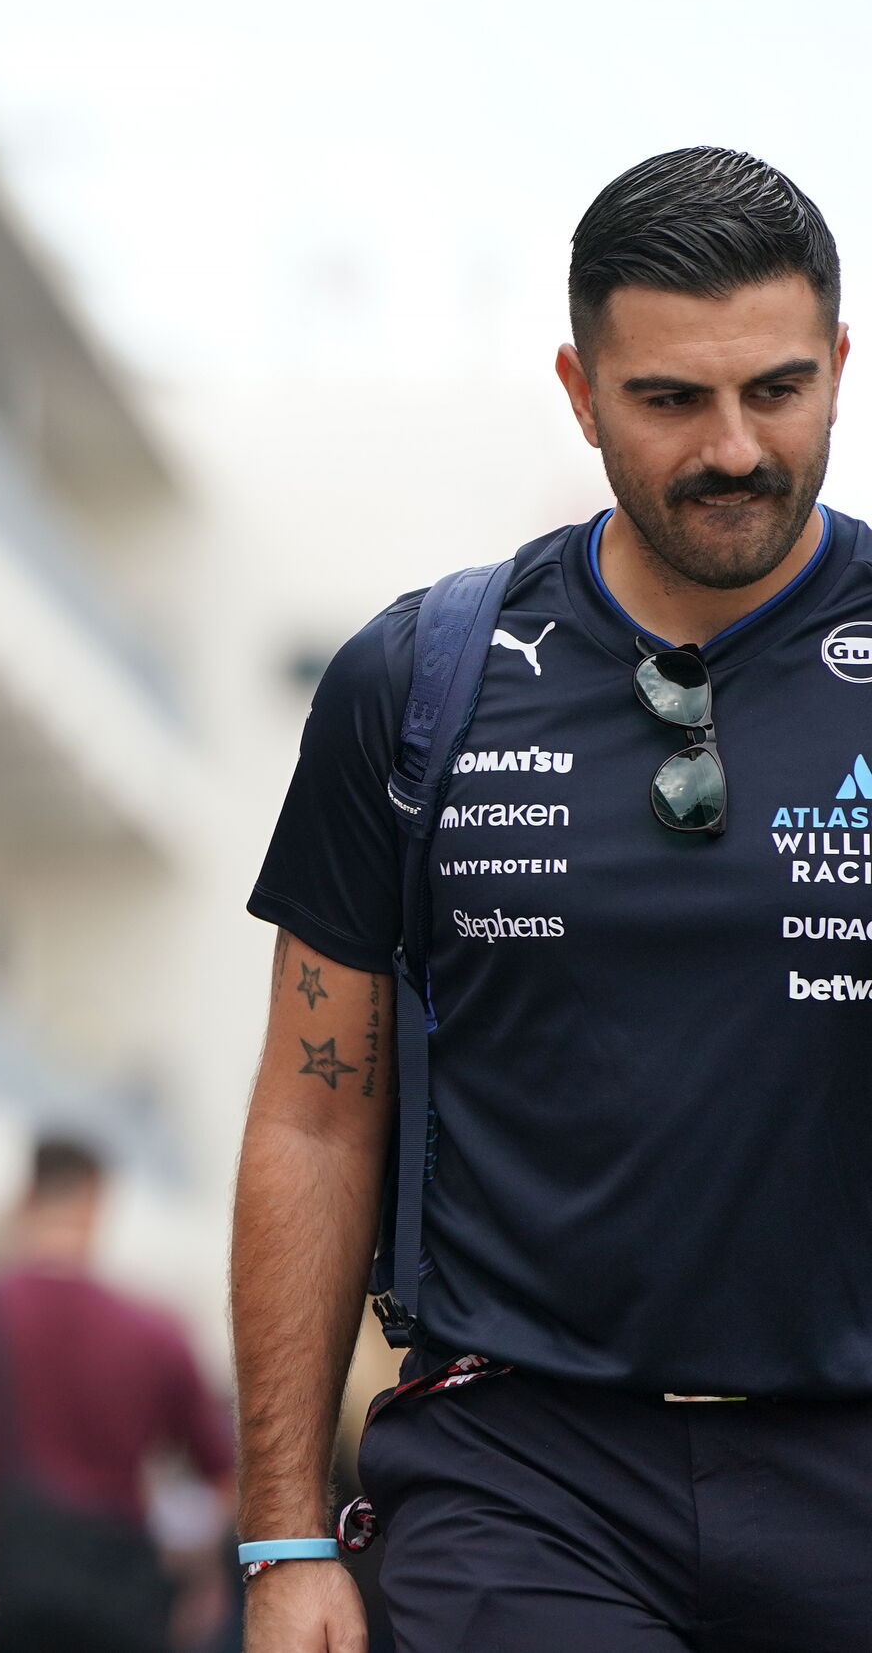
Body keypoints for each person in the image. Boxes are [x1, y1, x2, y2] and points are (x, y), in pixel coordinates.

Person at [234, 146, 872, 1652]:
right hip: (522, 1476)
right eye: (671, 400)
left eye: (778, 390)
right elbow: (314, 1114)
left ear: (841, 365)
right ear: (580, 392)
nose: (734, 447)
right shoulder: (421, 680)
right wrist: (283, 1533)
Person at [0, 1139, 230, 1653]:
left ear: (27, 1198)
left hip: (2, 1581)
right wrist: (202, 1576)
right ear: (97, 1203)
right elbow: (224, 1476)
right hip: (121, 1588)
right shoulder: (155, 1329)